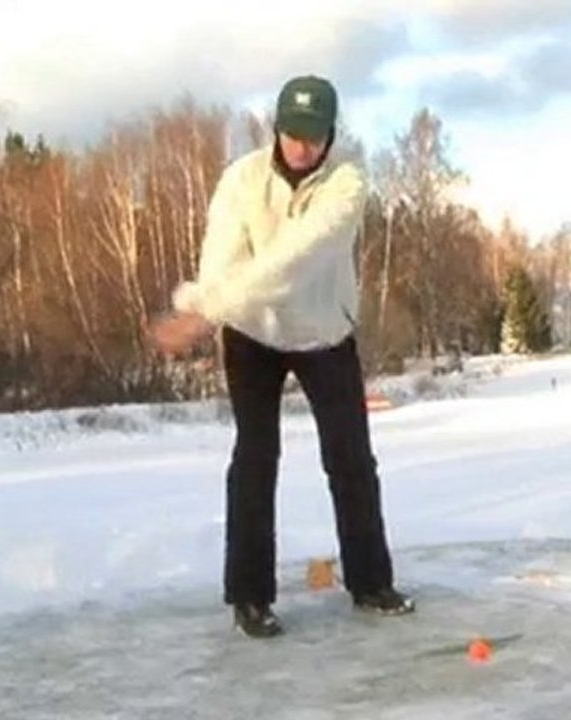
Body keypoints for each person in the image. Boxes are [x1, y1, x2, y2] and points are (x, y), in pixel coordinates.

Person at [146, 75, 414, 638]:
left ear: (330, 135)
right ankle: (249, 597)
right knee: (255, 457)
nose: (302, 146)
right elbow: (220, 259)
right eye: (293, 133)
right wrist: (213, 303)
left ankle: (371, 582)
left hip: (324, 334)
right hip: (251, 333)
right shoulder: (240, 180)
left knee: (350, 460)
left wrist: (205, 310)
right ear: (277, 129)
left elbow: (296, 259)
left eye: (314, 135)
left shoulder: (347, 184)